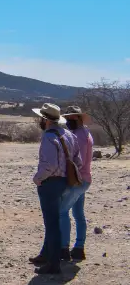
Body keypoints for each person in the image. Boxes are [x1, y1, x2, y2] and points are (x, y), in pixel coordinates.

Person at [29, 104, 82, 275]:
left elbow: (49, 164)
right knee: (55, 221)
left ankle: (53, 264)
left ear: (45, 120)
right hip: (64, 181)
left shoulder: (48, 137)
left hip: (50, 183)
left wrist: (38, 178)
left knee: (51, 224)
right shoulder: (68, 134)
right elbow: (78, 161)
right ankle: (48, 256)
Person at [61, 106, 94, 261]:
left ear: (79, 118)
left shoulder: (78, 136)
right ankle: (79, 247)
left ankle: (64, 247)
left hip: (77, 180)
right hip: (85, 179)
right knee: (78, 214)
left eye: (71, 119)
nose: (68, 121)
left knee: (62, 212)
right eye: (67, 119)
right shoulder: (86, 133)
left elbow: (77, 161)